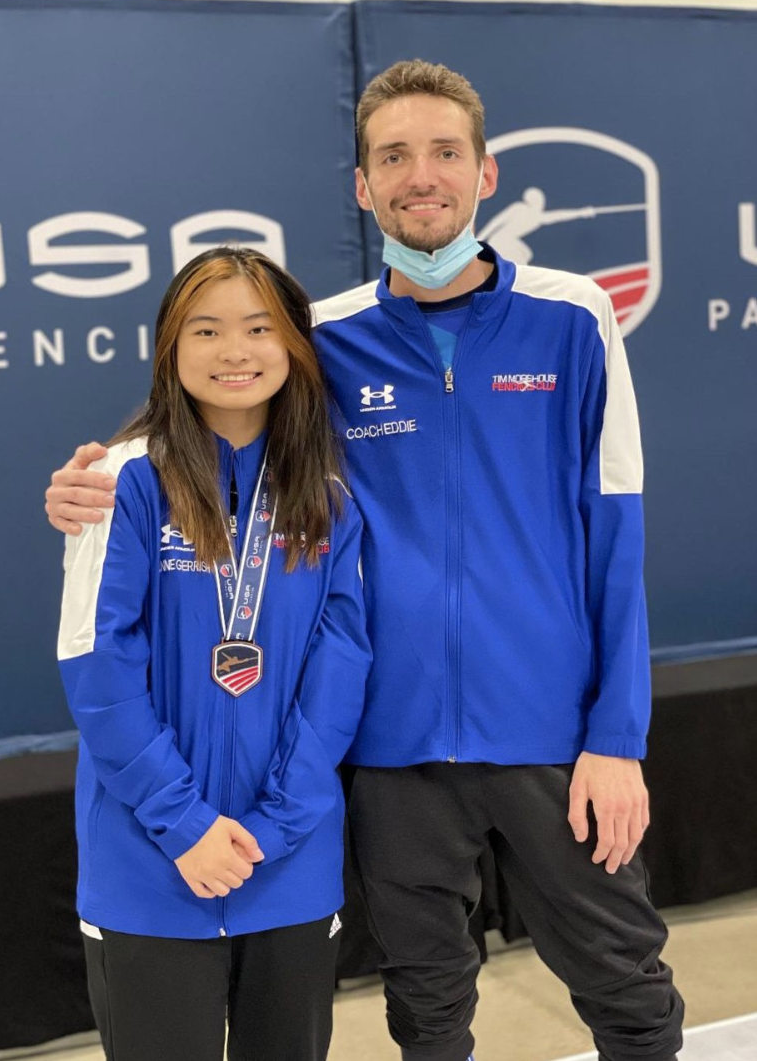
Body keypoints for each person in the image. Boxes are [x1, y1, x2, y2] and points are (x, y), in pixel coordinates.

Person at [47, 61, 684, 1061]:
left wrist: (618, 735)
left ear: (486, 173)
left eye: (444, 152)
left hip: (554, 738)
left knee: (628, 991)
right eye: (393, 156)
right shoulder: (323, 339)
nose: (419, 175)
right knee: (426, 1011)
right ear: (362, 184)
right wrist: (86, 484)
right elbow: (213, 423)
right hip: (389, 750)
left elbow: (617, 533)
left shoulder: (574, 317)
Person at [57, 246, 371, 1061]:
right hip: (150, 867)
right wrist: (185, 825)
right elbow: (98, 672)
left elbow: (339, 671)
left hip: (286, 867)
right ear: (170, 346)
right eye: (206, 330)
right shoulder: (120, 483)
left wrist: (276, 826)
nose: (235, 351)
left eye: (259, 328)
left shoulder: (329, 495)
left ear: (293, 344)